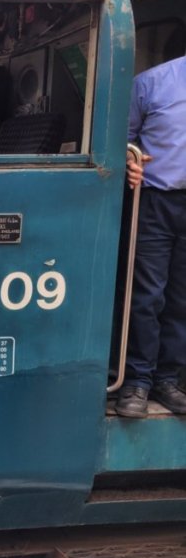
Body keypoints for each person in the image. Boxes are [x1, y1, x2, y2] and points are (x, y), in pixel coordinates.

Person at [115, 54, 186, 418]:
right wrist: (130, 163)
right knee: (147, 295)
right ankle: (137, 380)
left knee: (181, 298)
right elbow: (121, 141)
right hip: (156, 201)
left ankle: (168, 379)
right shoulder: (152, 83)